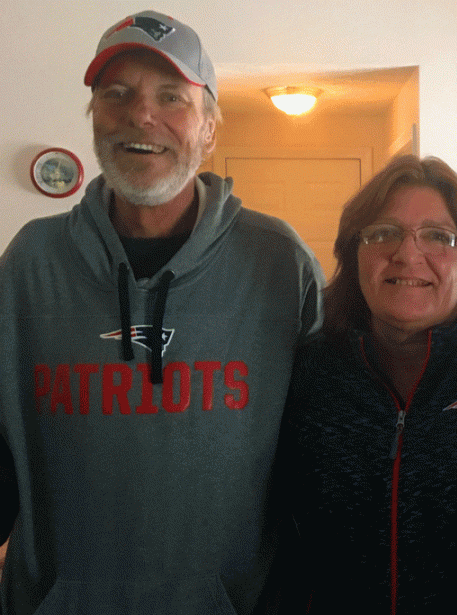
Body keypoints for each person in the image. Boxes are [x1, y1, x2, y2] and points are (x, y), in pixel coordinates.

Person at [0, 10, 323, 614]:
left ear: (208, 130)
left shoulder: (279, 262)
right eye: (115, 93)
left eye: (170, 96)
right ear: (94, 117)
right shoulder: (29, 264)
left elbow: (323, 454)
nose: (140, 114)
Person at [281, 154, 457, 613]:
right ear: (354, 255)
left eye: (438, 237)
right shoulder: (308, 373)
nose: (408, 254)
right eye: (383, 233)